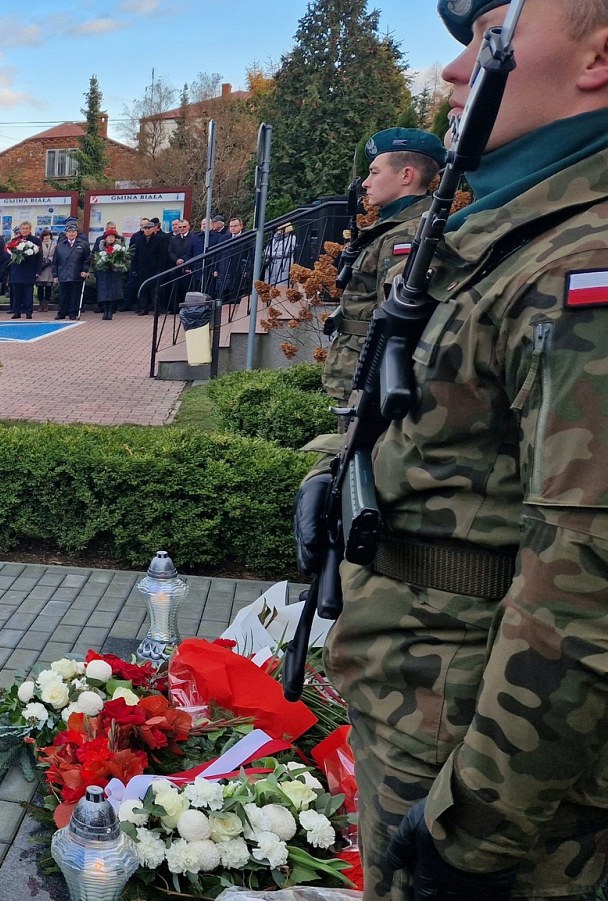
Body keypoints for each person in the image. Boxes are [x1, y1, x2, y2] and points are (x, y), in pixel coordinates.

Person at [298, 2, 608, 897]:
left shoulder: (581, 261)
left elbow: (586, 589)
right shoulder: (511, 235)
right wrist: (333, 464)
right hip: (426, 702)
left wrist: (476, 827)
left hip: (479, 759)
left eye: (492, 35)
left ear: (598, 56)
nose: (455, 69)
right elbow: (427, 419)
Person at [320, 128, 444, 403]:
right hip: (363, 372)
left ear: (406, 175)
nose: (366, 183)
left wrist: (375, 388)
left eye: (374, 172)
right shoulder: (392, 228)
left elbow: (393, 320)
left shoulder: (407, 235)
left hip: (371, 381)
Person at [52, 217, 91, 321]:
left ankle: (73, 313)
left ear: (76, 233)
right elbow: (55, 261)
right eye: (69, 232)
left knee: (75, 295)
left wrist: (85, 270)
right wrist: (55, 275)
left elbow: (87, 259)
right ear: (66, 233)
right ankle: (62, 313)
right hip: (63, 273)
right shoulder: (60, 245)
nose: (71, 233)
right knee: (63, 295)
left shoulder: (83, 244)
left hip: (76, 273)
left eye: (73, 231)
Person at [5, 221, 40, 319]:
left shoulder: (35, 241)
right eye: (23, 228)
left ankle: (28, 312)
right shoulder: (14, 241)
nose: (24, 230)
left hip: (29, 270)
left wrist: (38, 271)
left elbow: (39, 257)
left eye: (26, 228)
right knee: (16, 293)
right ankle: (16, 312)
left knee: (28, 293)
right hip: (16, 271)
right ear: (20, 230)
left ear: (30, 229)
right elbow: (9, 256)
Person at [92, 232, 128, 320]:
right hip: (103, 273)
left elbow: (124, 259)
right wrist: (101, 263)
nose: (111, 238)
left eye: (112, 237)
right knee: (104, 293)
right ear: (105, 238)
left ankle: (110, 311)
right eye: (109, 237)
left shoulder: (119, 248)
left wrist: (117, 263)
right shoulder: (100, 248)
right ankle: (105, 311)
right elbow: (94, 258)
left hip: (114, 273)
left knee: (113, 293)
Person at [35, 229, 58, 311]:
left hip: (50, 267)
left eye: (48, 235)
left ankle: (46, 304)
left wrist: (50, 259)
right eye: (45, 235)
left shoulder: (54, 245)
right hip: (41, 267)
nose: (46, 237)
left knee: (48, 287)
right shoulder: (39, 245)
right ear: (42, 237)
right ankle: (40, 304)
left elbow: (56, 255)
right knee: (40, 287)